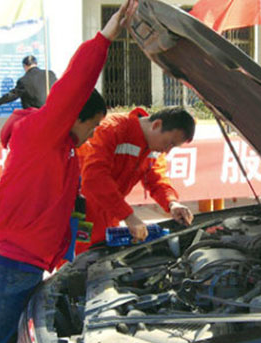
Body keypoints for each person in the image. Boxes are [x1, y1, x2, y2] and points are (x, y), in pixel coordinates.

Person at [0, 0, 137, 343]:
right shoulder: (44, 135)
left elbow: (67, 207)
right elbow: (74, 85)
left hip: (25, 263)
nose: (95, 135)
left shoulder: (63, 151)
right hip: (13, 264)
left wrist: (72, 256)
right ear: (73, 115)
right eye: (93, 125)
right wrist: (105, 37)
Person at [76, 107, 196, 250]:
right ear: (156, 125)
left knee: (102, 258)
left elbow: (157, 181)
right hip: (80, 210)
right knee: (77, 262)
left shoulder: (154, 148)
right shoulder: (113, 129)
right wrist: (128, 216)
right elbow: (94, 178)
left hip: (111, 211)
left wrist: (172, 203)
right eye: (169, 143)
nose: (167, 151)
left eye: (174, 147)